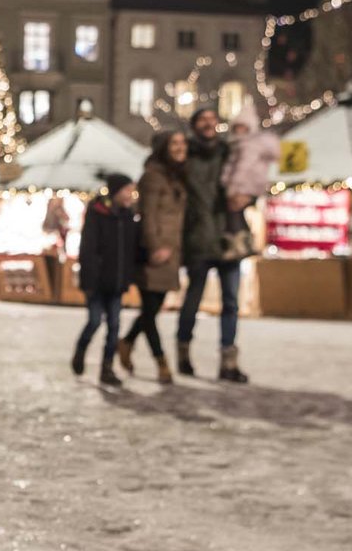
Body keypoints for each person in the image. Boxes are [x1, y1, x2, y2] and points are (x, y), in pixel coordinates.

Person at [174, 108, 249, 383]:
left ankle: (228, 362)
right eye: (202, 120)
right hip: (199, 237)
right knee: (193, 299)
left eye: (212, 119)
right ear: (195, 125)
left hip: (229, 237)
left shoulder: (230, 152)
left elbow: (249, 182)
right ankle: (183, 353)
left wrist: (247, 198)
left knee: (231, 302)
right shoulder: (185, 155)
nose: (208, 124)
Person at [117, 131, 190, 385]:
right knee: (149, 310)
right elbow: (147, 214)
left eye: (182, 143)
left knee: (153, 308)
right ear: (163, 148)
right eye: (174, 144)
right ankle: (161, 362)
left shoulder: (177, 176)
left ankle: (126, 342)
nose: (180, 148)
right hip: (154, 252)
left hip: (172, 251)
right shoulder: (152, 176)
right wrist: (155, 246)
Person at [72, 173, 140, 387]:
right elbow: (88, 249)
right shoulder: (97, 212)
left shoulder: (129, 216)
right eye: (127, 190)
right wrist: (89, 281)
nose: (130, 195)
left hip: (117, 283)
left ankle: (107, 368)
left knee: (114, 326)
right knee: (94, 321)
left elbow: (132, 250)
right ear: (116, 191)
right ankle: (81, 350)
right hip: (97, 282)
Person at [222, 107, 276, 241]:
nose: (239, 130)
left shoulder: (248, 146)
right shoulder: (236, 145)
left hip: (243, 188)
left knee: (235, 218)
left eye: (242, 127)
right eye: (237, 127)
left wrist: (232, 189)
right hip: (244, 189)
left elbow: (242, 168)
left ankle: (240, 241)